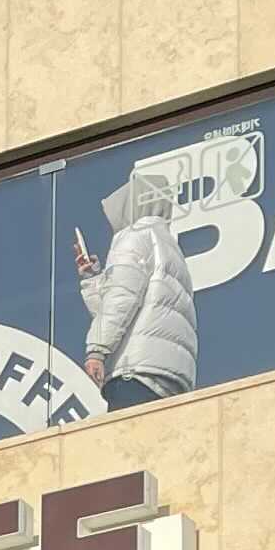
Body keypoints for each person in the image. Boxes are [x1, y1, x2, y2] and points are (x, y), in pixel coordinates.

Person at [73, 167, 200, 408]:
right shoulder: (167, 245)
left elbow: (121, 299)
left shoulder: (134, 235)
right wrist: (93, 278)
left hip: (135, 371)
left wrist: (96, 350)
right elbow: (123, 303)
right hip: (168, 376)